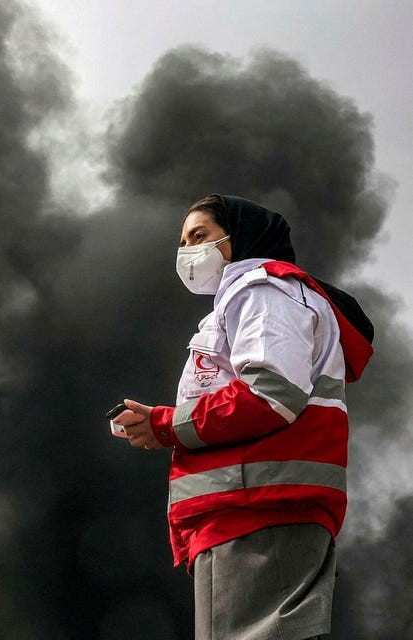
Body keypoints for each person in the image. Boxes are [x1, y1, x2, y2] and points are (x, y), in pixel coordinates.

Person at [111, 195, 374, 640]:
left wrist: (167, 425)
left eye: (200, 236)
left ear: (241, 236)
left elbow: (271, 393)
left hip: (255, 512)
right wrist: (162, 427)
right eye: (183, 242)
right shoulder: (260, 295)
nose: (188, 251)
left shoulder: (262, 289)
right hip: (261, 508)